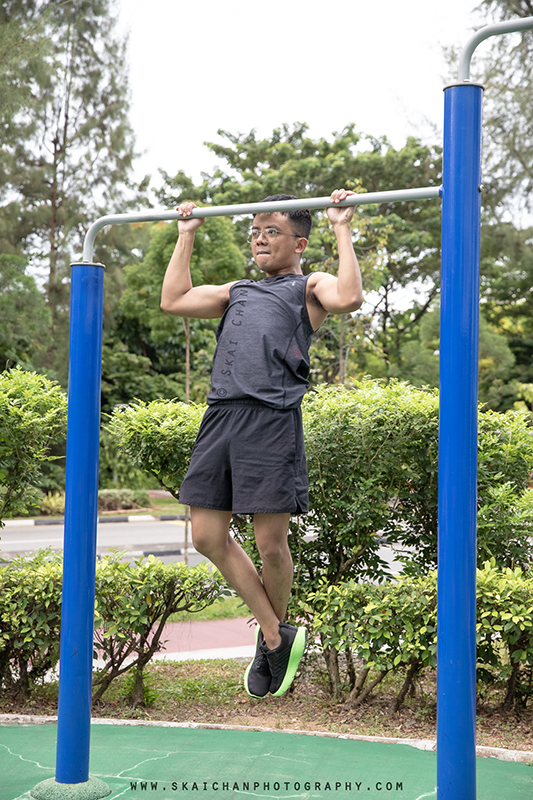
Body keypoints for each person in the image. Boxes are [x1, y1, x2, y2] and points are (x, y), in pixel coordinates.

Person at [160, 188, 363, 699]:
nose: (259, 239)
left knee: (270, 544)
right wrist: (186, 236)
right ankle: (276, 634)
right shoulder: (238, 291)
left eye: (272, 231)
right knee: (207, 536)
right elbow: (174, 300)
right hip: (220, 416)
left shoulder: (309, 286)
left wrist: (341, 226)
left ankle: (270, 641)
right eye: (255, 231)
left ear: (299, 243)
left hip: (271, 419)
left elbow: (349, 297)